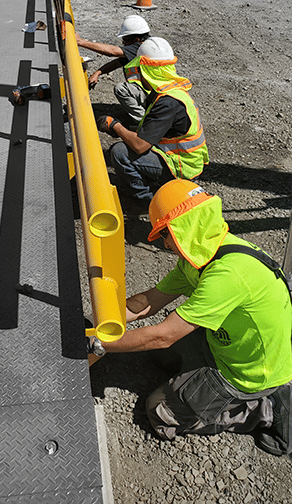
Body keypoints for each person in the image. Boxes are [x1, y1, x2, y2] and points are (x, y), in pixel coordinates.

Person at [88, 179, 292, 457]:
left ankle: (259, 409)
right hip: (227, 344)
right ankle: (201, 383)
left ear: (183, 228)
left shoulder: (228, 275)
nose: (164, 243)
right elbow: (149, 302)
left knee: (159, 414)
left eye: (164, 233)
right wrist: (100, 321)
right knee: (160, 357)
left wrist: (99, 344)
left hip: (248, 373)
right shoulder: (202, 257)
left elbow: (162, 336)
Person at [97, 37, 209, 213]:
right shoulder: (171, 90)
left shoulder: (167, 103)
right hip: (182, 158)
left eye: (141, 71)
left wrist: (115, 126)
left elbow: (140, 146)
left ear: (149, 72)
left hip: (181, 167)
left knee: (120, 152)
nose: (138, 76)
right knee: (130, 138)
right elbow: (151, 129)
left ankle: (148, 201)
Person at [75, 15, 151, 124]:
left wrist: (81, 42)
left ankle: (144, 122)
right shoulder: (148, 46)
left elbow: (112, 51)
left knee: (121, 89)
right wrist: (98, 72)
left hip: (152, 93)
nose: (124, 43)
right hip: (158, 92)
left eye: (126, 39)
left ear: (136, 39)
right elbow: (118, 62)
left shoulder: (140, 48)